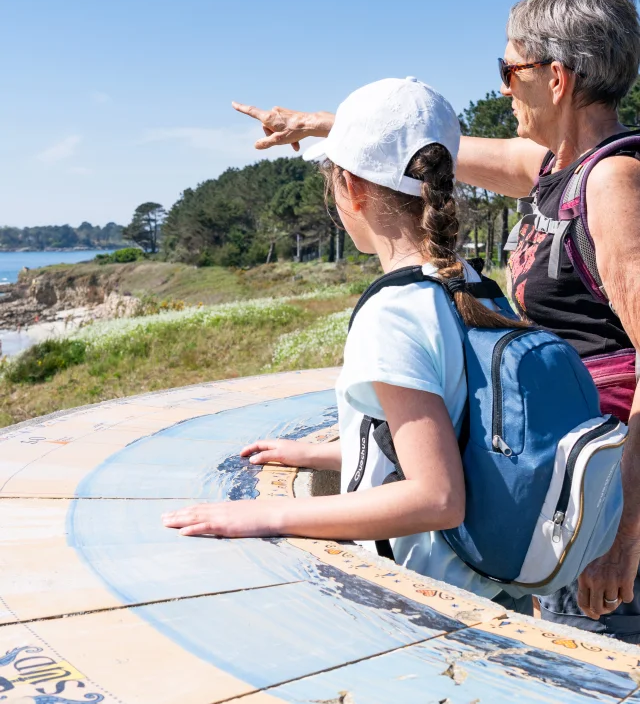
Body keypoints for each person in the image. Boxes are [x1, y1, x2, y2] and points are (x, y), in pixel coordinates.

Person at [231, 0, 640, 641]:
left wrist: (625, 536)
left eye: (508, 71)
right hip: (561, 477)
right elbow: (430, 155)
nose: (503, 87)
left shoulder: (614, 183)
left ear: (557, 78)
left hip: (604, 497)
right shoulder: (552, 170)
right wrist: (328, 125)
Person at [163, 76, 530, 611]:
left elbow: (437, 497)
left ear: (351, 189)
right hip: (492, 586)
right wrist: (317, 454)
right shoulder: (475, 285)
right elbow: (445, 437)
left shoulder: (394, 311)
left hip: (429, 604)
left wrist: (266, 515)